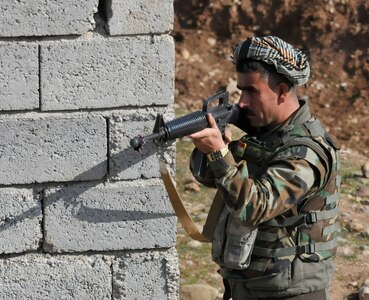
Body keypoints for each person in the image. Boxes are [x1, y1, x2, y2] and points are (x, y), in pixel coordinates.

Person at [188, 36, 340, 300]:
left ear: (282, 90)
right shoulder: (265, 137)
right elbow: (209, 178)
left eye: (252, 91)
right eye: (241, 90)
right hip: (249, 287)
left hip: (289, 293)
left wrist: (219, 154)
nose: (243, 102)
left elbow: (254, 207)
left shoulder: (306, 151)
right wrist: (216, 151)